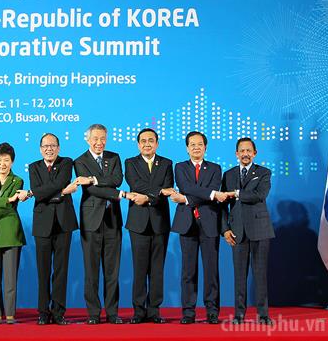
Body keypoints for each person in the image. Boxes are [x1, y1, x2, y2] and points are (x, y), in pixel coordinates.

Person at [170, 131, 225, 324]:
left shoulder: (215, 168)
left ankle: (212, 311)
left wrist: (185, 199)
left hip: (209, 223)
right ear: (187, 148)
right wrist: (211, 194)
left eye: (199, 144)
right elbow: (187, 187)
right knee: (188, 271)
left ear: (205, 147)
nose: (196, 147)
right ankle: (188, 312)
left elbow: (196, 191)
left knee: (211, 270)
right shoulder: (180, 167)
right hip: (187, 224)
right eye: (192, 144)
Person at [73, 124, 125, 324]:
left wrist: (93, 179)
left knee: (112, 271)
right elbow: (92, 190)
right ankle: (93, 313)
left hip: (112, 219)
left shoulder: (114, 157)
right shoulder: (80, 161)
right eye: (95, 138)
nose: (99, 142)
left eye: (103, 138)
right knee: (91, 270)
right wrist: (116, 192)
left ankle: (112, 313)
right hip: (91, 220)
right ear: (87, 139)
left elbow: (117, 179)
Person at [221, 137, 274, 325]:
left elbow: (259, 195)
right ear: (236, 154)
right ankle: (239, 315)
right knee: (239, 276)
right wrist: (225, 229)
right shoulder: (228, 175)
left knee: (260, 275)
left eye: (248, 151)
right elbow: (222, 205)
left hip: (260, 230)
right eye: (242, 151)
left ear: (255, 153)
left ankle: (263, 315)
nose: (245, 154)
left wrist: (236, 193)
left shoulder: (264, 172)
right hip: (237, 231)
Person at [124, 128, 174, 324]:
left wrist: (148, 198)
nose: (147, 144)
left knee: (157, 269)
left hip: (160, 221)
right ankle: (138, 311)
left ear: (157, 144)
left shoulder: (167, 163)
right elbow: (135, 185)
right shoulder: (130, 163)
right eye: (143, 141)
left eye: (151, 140)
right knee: (139, 268)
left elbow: (169, 187)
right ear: (138, 145)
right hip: (138, 223)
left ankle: (154, 311)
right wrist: (159, 192)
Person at [28, 133, 79, 325]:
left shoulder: (66, 163)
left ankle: (58, 313)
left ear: (58, 148)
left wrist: (37, 192)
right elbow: (41, 192)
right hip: (42, 224)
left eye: (52, 146)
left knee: (60, 270)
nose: (49, 149)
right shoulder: (34, 167)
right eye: (45, 146)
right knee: (43, 270)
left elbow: (57, 183)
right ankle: (43, 312)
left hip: (63, 222)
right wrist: (62, 192)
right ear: (40, 149)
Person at [0, 142, 30, 324]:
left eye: (6, 160)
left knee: (10, 277)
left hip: (10, 232)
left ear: (12, 162)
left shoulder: (18, 181)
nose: (2, 164)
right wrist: (8, 199)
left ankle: (9, 314)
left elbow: (7, 209)